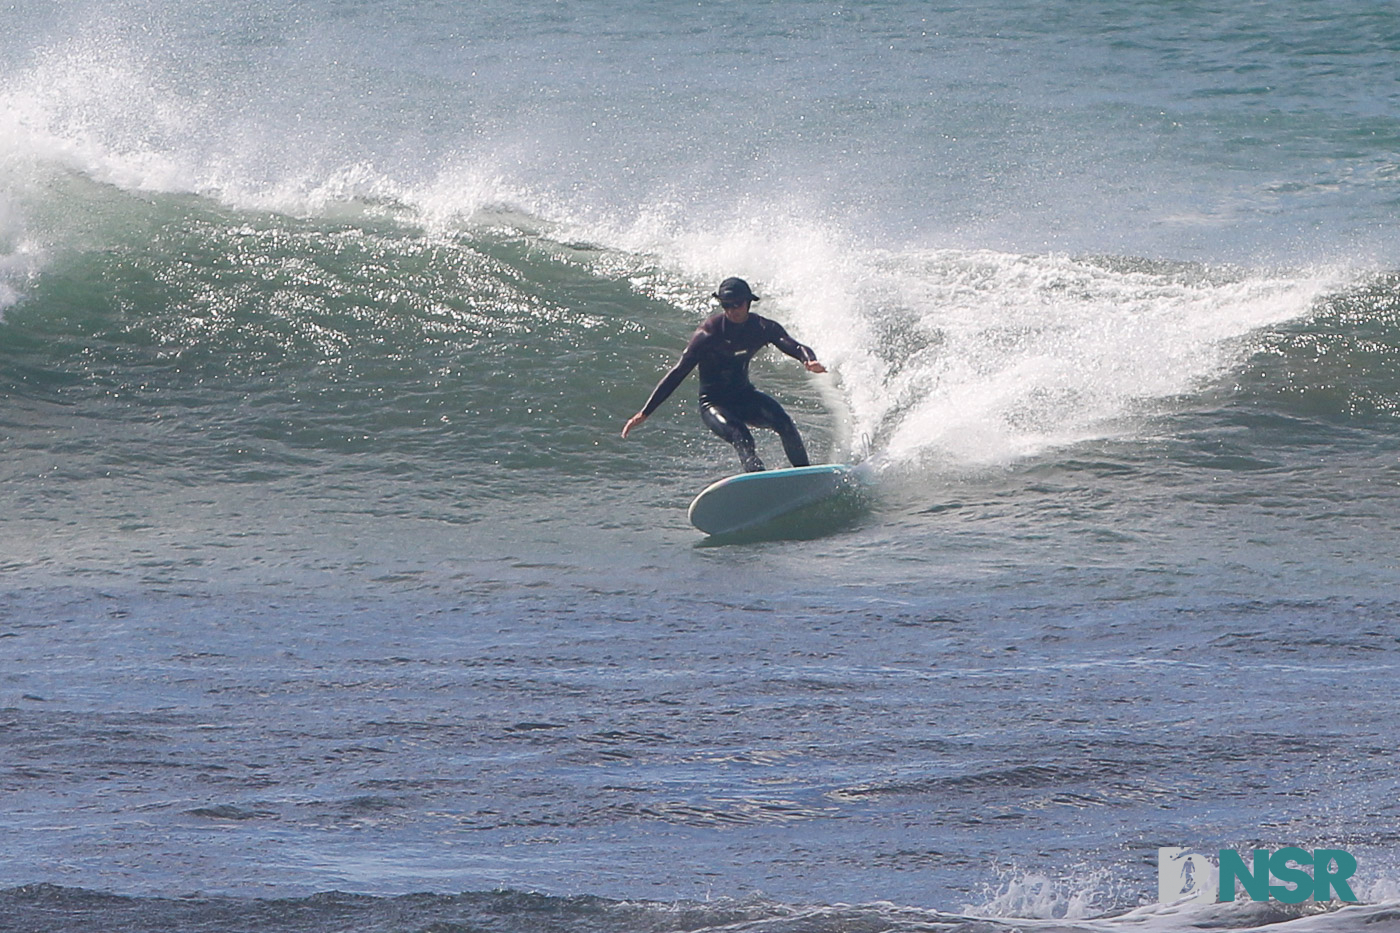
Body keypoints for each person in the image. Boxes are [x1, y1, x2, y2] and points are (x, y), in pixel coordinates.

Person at [621, 277, 828, 472]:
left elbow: (792, 344)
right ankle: (758, 481)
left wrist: (808, 359)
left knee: (784, 423)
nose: (732, 310)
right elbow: (678, 372)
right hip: (714, 403)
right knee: (742, 436)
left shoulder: (762, 328)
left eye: (736, 304)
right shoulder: (708, 334)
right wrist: (645, 412)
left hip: (745, 396)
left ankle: (805, 474)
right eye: (726, 305)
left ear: (748, 302)